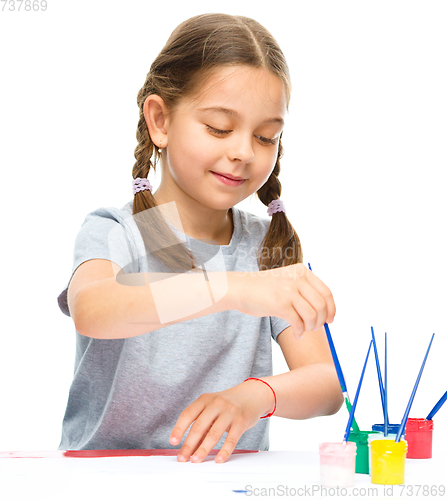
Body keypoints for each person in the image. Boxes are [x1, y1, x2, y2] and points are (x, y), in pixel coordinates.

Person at [57, 13, 343, 463]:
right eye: (219, 128)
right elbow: (94, 310)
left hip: (226, 482)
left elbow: (327, 383)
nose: (244, 152)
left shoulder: (267, 246)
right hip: (107, 481)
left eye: (266, 136)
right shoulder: (118, 231)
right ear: (160, 121)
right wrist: (230, 288)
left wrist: (256, 395)